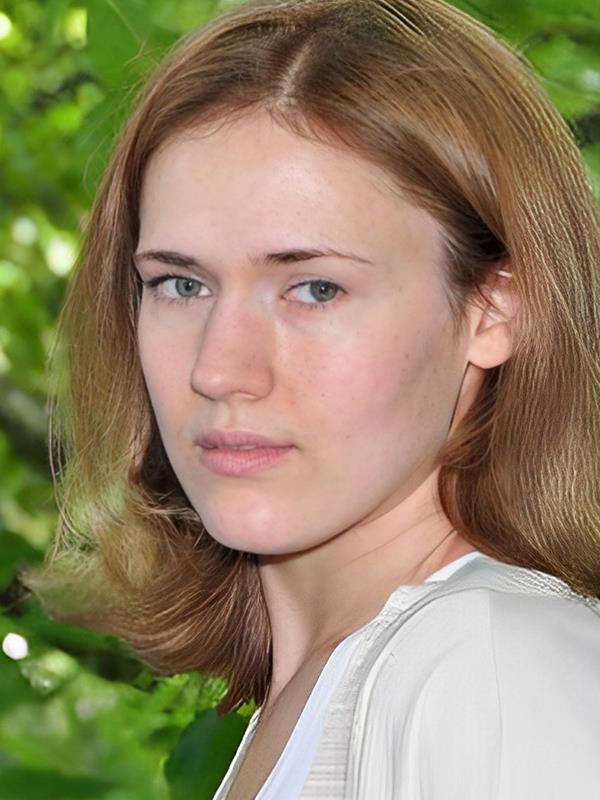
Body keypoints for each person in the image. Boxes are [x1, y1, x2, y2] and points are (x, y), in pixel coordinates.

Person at [24, 0, 600, 797]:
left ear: (493, 311)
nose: (220, 370)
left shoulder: (490, 672)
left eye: (315, 289)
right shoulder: (338, 685)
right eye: (181, 284)